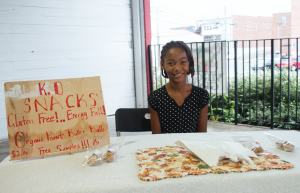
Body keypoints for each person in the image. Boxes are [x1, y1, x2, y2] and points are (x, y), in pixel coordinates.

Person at [148, 41, 209, 134]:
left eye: (183, 62)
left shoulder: (201, 95)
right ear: (162, 64)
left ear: (189, 63)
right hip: (165, 148)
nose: (177, 68)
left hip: (193, 147)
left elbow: (202, 135)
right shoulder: (155, 97)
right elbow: (156, 137)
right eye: (171, 63)